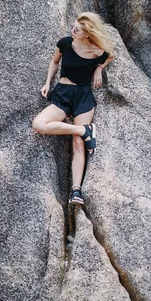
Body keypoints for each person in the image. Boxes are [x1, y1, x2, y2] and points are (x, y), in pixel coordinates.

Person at [32, 12, 113, 205]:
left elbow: (110, 55)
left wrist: (98, 69)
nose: (72, 29)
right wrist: (47, 83)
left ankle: (76, 191)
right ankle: (85, 131)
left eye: (77, 29)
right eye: (73, 25)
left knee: (79, 144)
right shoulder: (65, 43)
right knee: (38, 124)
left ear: (86, 34)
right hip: (63, 94)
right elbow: (54, 61)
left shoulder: (97, 51)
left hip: (84, 97)